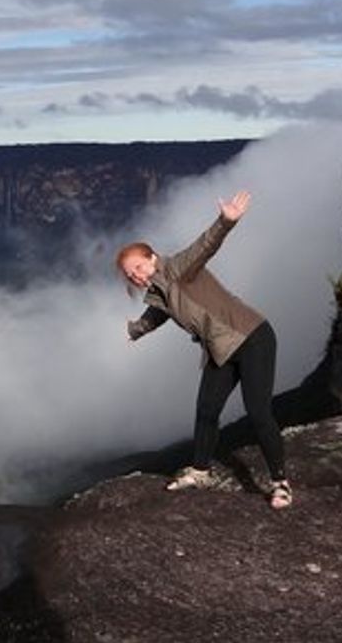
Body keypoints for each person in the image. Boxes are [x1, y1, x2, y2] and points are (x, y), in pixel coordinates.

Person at [116, 190, 292, 510]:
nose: (137, 277)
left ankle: (280, 483)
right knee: (206, 411)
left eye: (139, 268)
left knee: (258, 411)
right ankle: (201, 471)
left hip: (251, 337)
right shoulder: (157, 293)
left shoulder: (181, 267)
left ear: (152, 257)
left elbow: (205, 245)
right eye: (131, 276)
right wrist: (136, 330)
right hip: (219, 349)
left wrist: (226, 221)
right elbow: (158, 313)